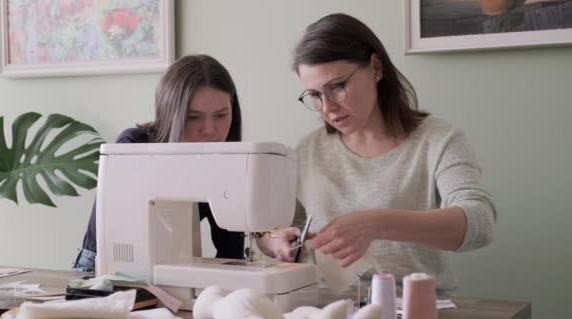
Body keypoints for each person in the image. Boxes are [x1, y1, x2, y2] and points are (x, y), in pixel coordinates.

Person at [260, 13, 496, 296]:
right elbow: (269, 232)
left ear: (375, 68)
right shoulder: (308, 151)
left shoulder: (437, 141)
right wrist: (276, 241)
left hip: (414, 307)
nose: (327, 107)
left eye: (337, 87)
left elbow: (480, 223)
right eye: (315, 95)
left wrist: (376, 223)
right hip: (327, 308)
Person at [73, 54, 244, 272]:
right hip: (104, 267)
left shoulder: (223, 161)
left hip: (167, 271)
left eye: (221, 115)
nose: (210, 130)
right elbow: (122, 240)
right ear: (171, 114)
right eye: (193, 117)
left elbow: (231, 251)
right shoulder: (133, 147)